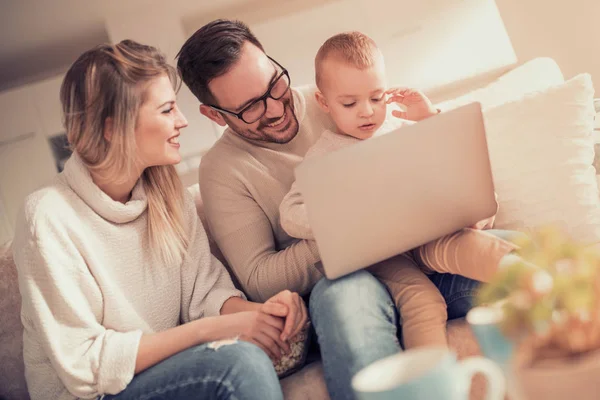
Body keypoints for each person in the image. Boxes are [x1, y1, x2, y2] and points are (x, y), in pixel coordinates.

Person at [176, 19, 491, 399]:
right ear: (214, 114)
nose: (275, 108)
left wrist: (458, 202)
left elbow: (417, 156)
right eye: (250, 108)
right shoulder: (223, 170)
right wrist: (354, 225)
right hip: (340, 281)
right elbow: (259, 278)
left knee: (509, 255)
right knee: (346, 303)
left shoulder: (342, 95)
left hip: (419, 254)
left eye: (275, 85)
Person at [12, 40, 308, 400]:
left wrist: (265, 313)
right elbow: (85, 365)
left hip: (163, 375)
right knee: (238, 363)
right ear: (112, 127)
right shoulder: (48, 216)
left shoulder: (169, 198)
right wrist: (211, 331)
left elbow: (206, 295)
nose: (182, 121)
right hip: (92, 395)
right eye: (167, 110)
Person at [279, 31, 523, 349]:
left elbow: (459, 159)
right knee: (422, 301)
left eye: (377, 98)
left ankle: (546, 285)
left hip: (426, 233)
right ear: (324, 103)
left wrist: (428, 119)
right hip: (380, 254)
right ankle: (430, 379)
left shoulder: (399, 127)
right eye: (350, 103)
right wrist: (338, 215)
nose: (367, 111)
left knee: (472, 246)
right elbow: (290, 212)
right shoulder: (324, 155)